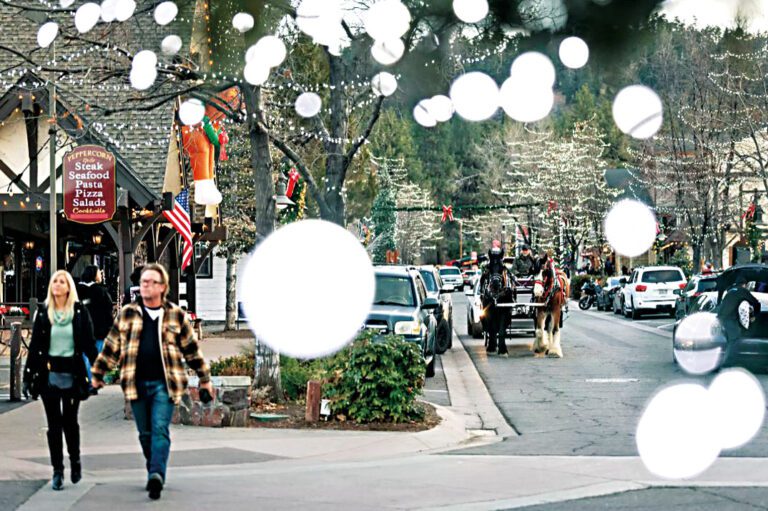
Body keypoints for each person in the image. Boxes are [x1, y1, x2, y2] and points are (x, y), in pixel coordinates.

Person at [91, 263, 213, 500]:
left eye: (151, 282)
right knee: (145, 434)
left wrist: (204, 379)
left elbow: (191, 351)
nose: (145, 286)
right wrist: (97, 375)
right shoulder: (127, 314)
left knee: (159, 429)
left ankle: (156, 474)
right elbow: (111, 347)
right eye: (143, 282)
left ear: (163, 287)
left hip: (164, 384)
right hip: (135, 384)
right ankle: (153, 465)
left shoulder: (176, 315)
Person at [23, 270, 96, 491]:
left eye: (62, 281)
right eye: (54, 280)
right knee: (54, 425)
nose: (57, 284)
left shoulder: (79, 312)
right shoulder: (44, 313)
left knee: (70, 422)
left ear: (69, 287)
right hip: (49, 375)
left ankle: (75, 461)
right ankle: (57, 470)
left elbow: (89, 344)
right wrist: (28, 376)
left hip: (72, 374)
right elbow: (35, 347)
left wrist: (101, 370)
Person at [76, 266, 114, 355]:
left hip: (80, 331)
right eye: (99, 273)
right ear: (94, 275)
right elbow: (108, 311)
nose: (101, 274)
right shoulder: (101, 291)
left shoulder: (76, 290)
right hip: (99, 331)